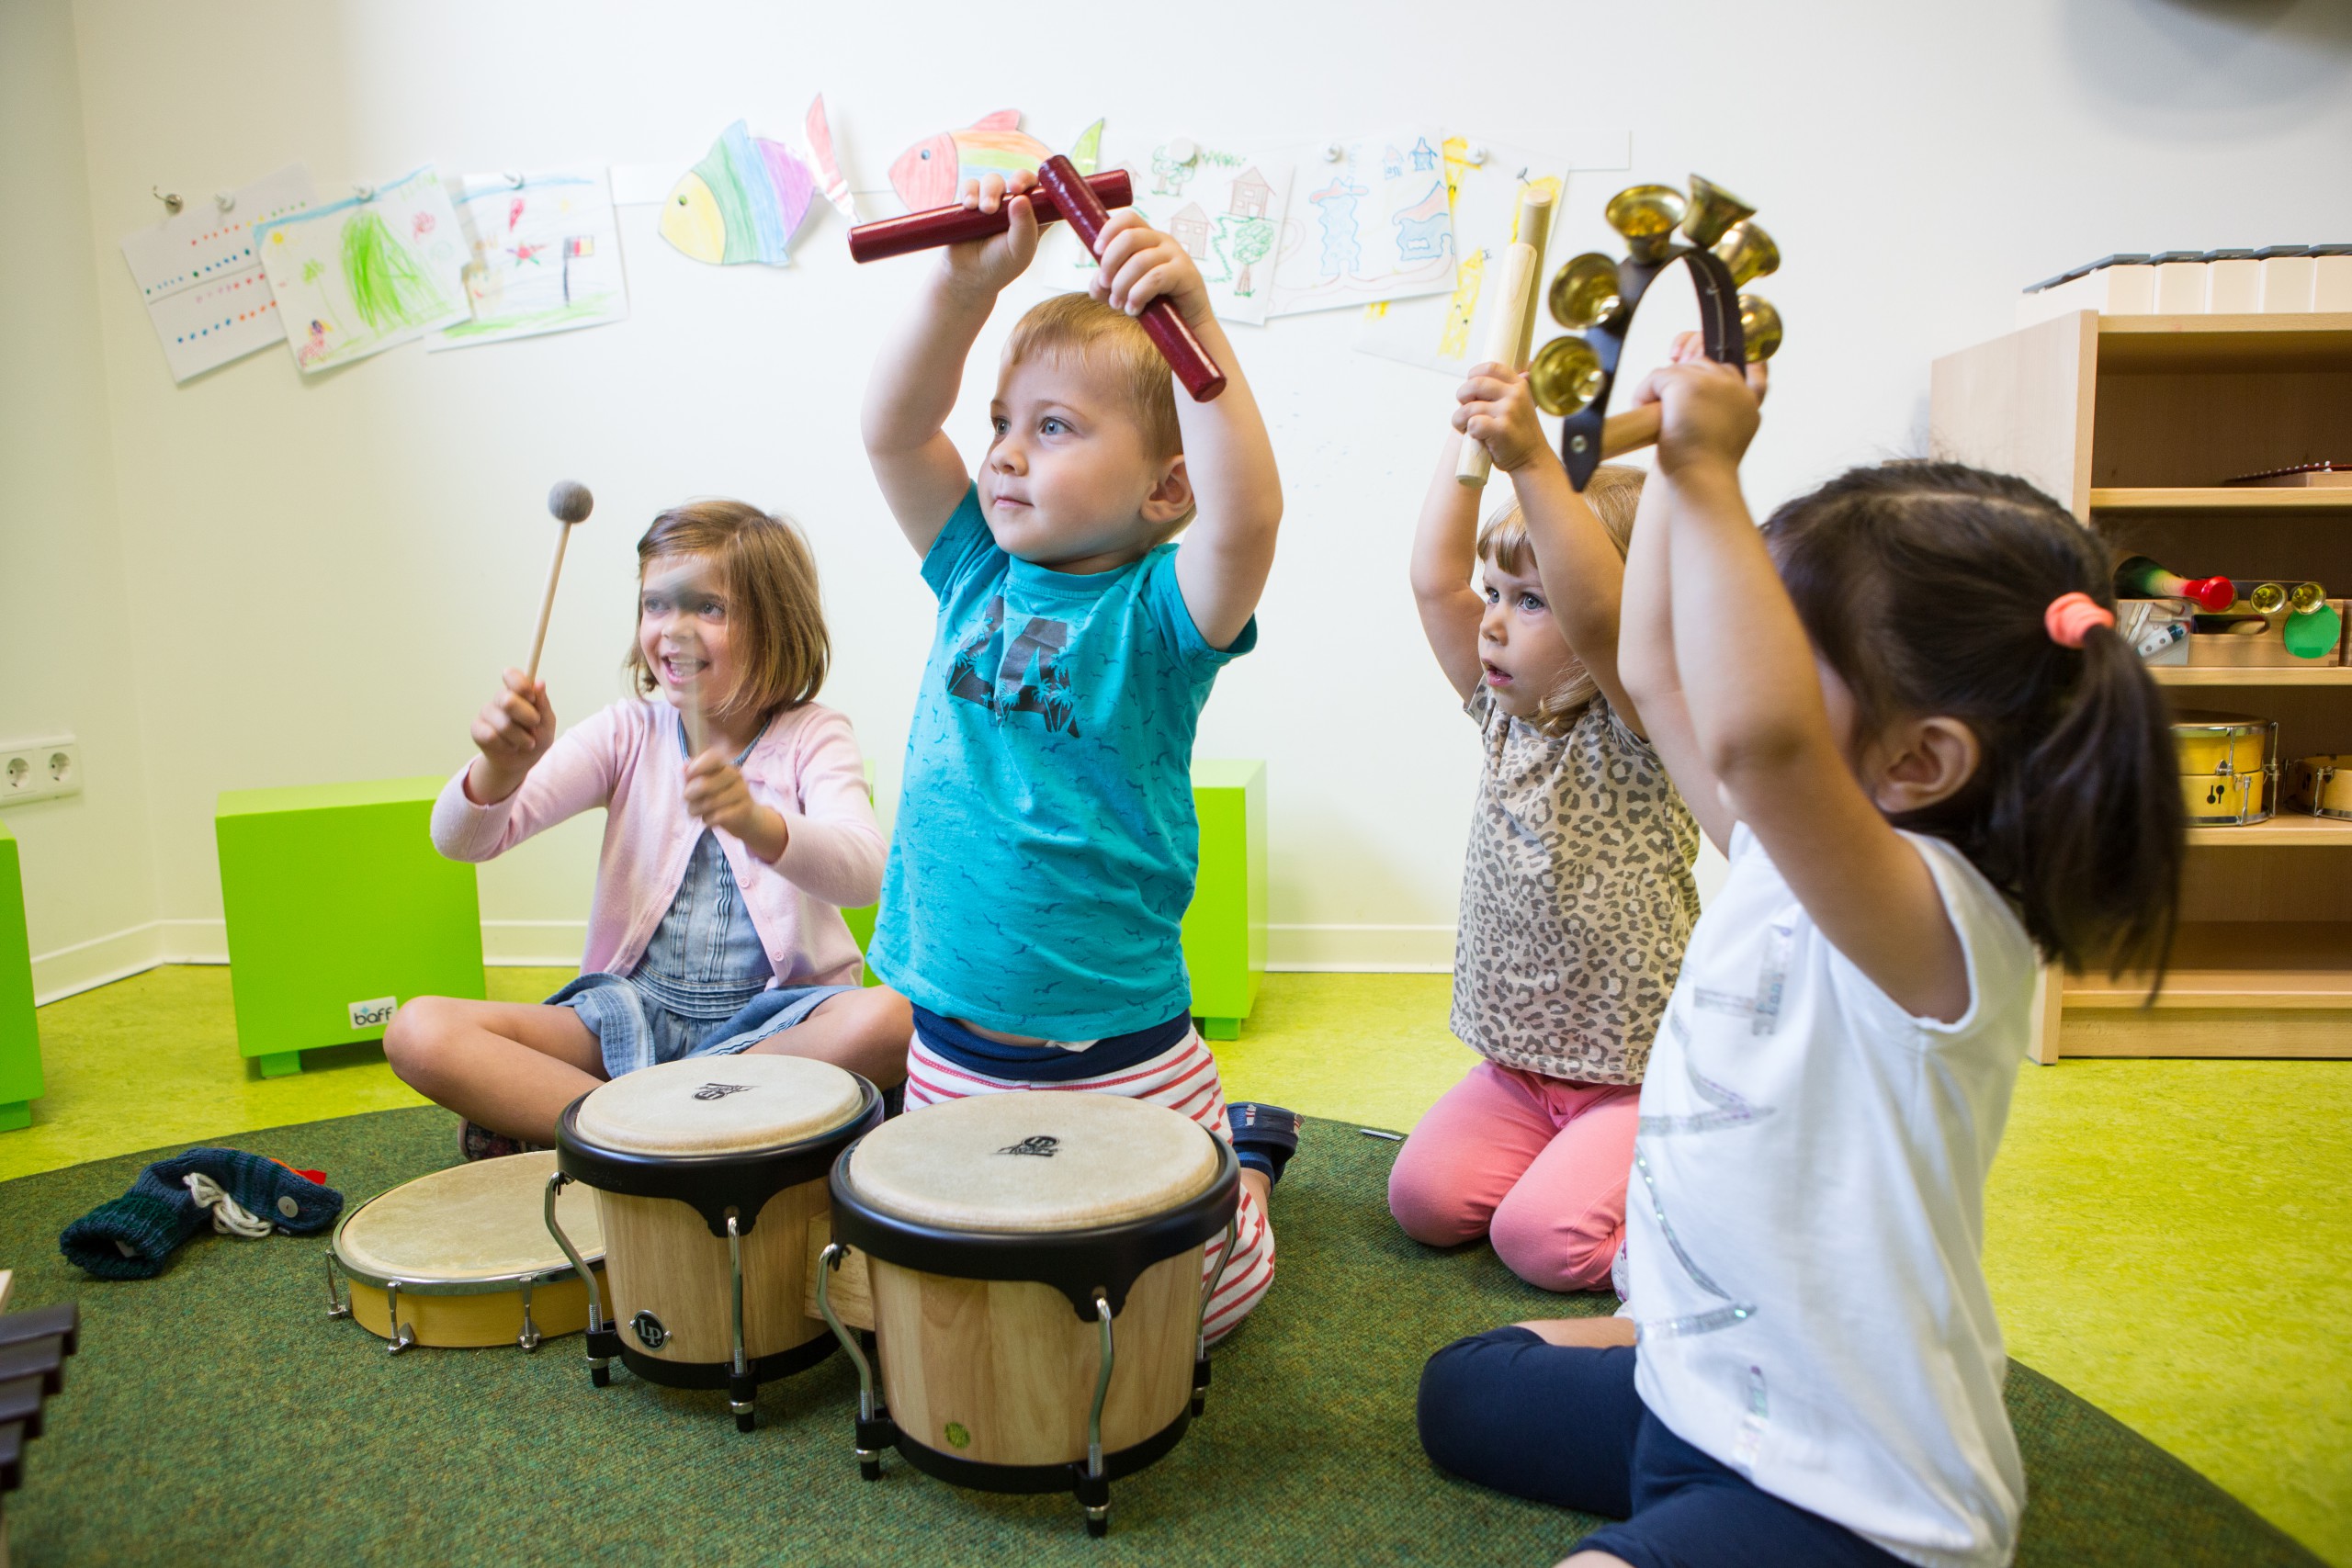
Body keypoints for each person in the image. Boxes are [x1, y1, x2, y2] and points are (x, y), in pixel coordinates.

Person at [1417, 357, 2182, 1568]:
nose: (1743, 653)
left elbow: (1759, 737)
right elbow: (1655, 664)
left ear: (1919, 760)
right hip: (1692, 1394)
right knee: (1460, 1387)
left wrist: (1715, 471)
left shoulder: (1939, 925)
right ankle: (1665, 1347)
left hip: (1848, 1489)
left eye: (1781, 633)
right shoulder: (1780, 851)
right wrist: (1671, 464)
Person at [859, 169, 1293, 1342]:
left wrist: (1197, 329)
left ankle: (1245, 1171)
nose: (1004, 453)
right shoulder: (971, 571)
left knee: (1200, 1309)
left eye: (1052, 428)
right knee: (973, 1291)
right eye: (1005, 421)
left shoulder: (1162, 616)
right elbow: (895, 430)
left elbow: (1247, 520)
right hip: (951, 1037)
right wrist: (961, 294)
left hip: (1122, 1046)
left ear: (1164, 489)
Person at [385, 501, 910, 1157]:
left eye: (709, 609)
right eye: (656, 605)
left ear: (775, 625)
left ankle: (614, 1133)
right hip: (630, 1014)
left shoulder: (813, 734)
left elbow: (864, 873)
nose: (673, 631)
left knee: (892, 1020)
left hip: (773, 1026)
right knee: (418, 1030)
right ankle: (687, 1133)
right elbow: (463, 840)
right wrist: (499, 766)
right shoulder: (627, 731)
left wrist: (756, 822)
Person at [1386, 357, 1700, 1293]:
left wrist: (1535, 460)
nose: (1490, 624)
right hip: (1518, 1071)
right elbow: (1431, 579)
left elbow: (1604, 614)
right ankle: (1571, 1163)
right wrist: (1474, 438)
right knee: (1424, 1205)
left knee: (1543, 1245)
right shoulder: (1501, 715)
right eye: (1496, 595)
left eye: (1530, 602)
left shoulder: (1643, 718)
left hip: (1634, 1077)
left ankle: (1694, 1227)